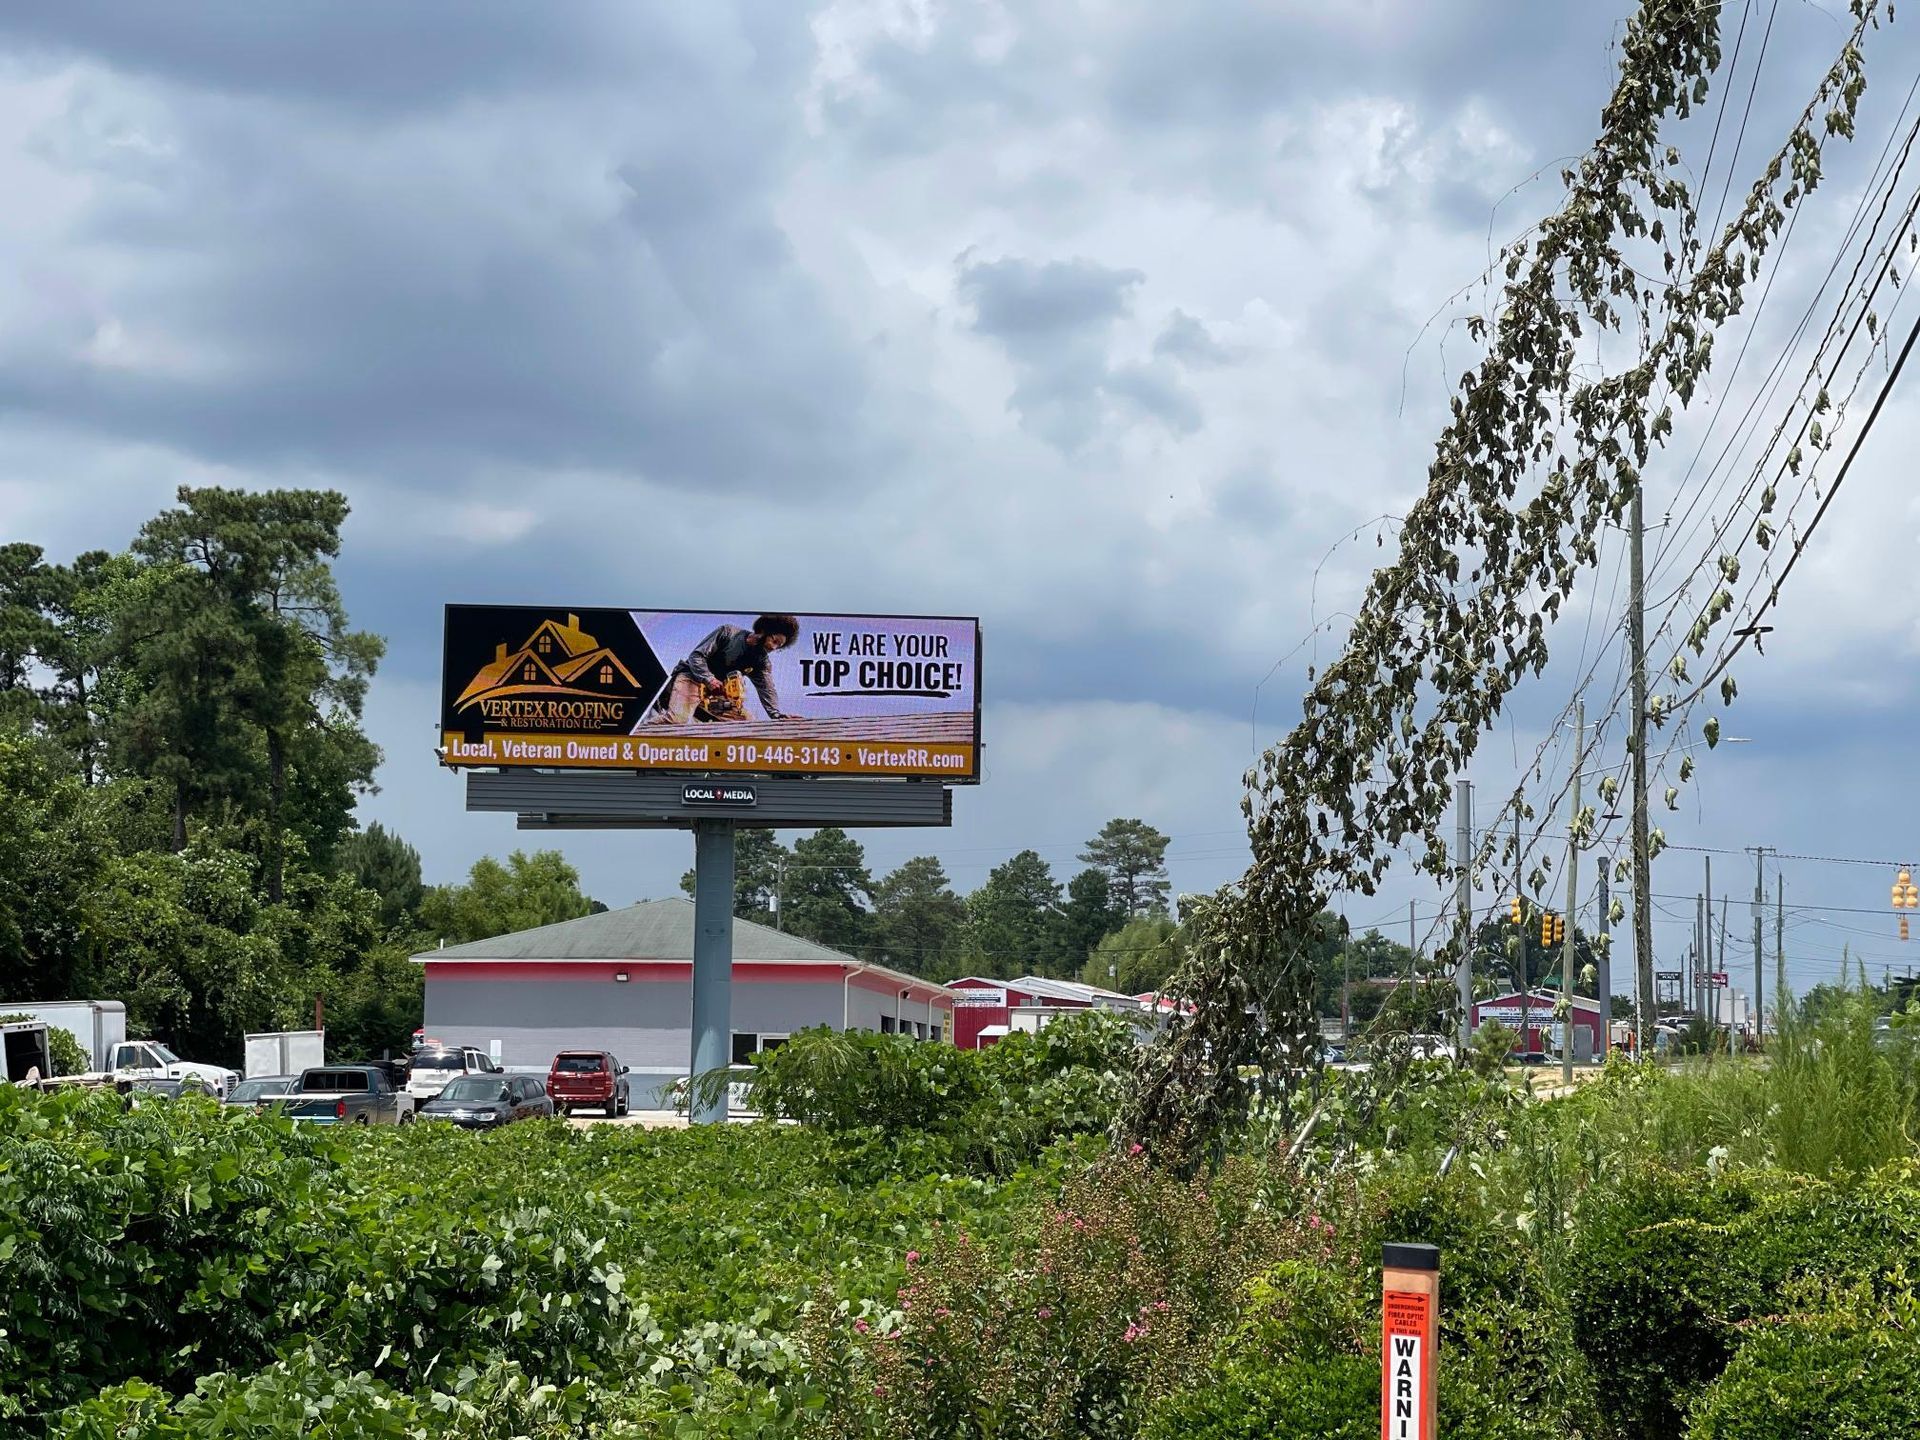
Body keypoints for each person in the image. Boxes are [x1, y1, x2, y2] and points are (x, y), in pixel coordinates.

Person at [647, 614, 801, 724]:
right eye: (774, 641)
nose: (773, 648)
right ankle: (638, 730)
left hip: (714, 695)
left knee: (746, 722)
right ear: (764, 631)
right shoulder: (728, 633)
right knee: (676, 720)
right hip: (691, 677)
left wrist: (777, 715)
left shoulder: (762, 662)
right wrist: (709, 679)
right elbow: (696, 656)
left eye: (778, 646)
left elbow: (767, 690)